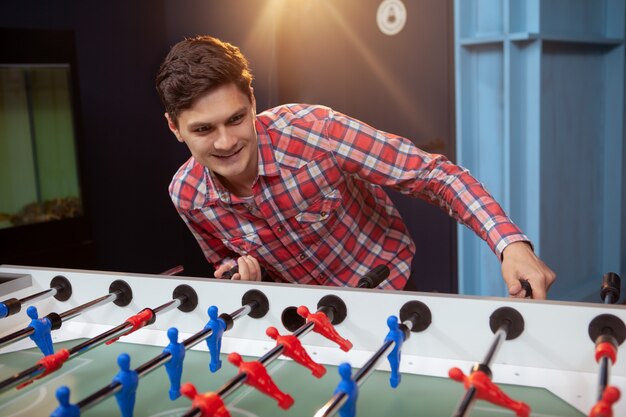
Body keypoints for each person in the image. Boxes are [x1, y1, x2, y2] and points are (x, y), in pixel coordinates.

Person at [155, 35, 555, 298]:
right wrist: (236, 275)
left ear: (253, 103)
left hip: (388, 294)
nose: (226, 142)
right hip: (300, 316)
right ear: (174, 128)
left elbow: (434, 176)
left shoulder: (317, 132)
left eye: (236, 119)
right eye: (204, 129)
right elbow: (221, 257)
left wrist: (510, 245)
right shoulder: (186, 195)